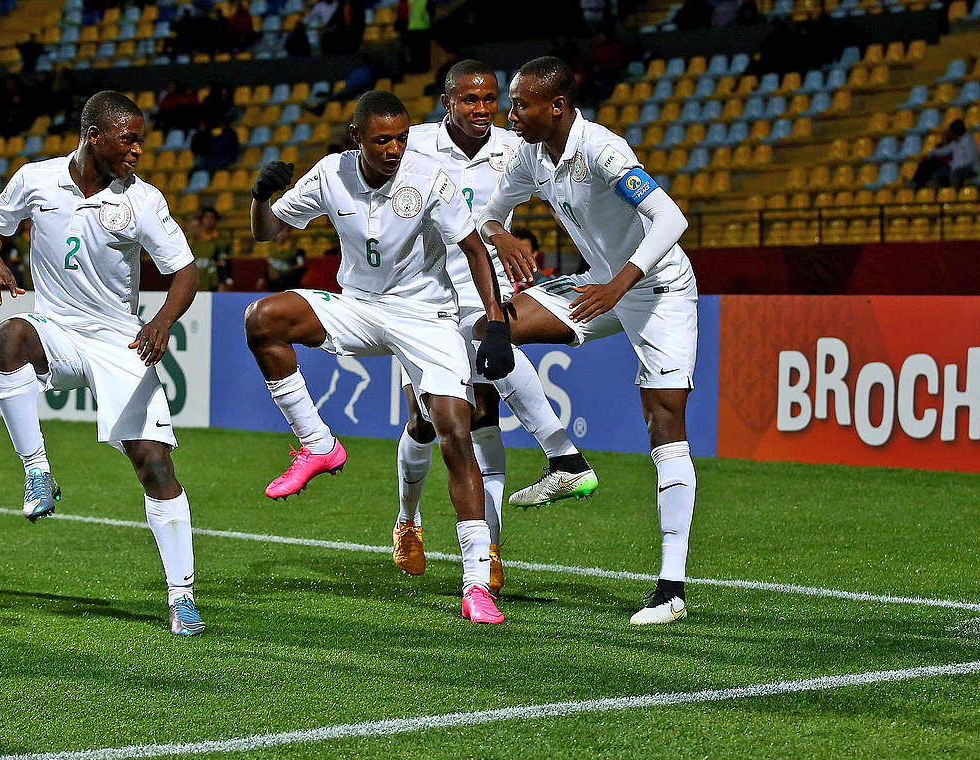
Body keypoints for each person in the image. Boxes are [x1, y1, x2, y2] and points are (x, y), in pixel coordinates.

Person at [245, 90, 534, 624]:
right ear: (357, 138)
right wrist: (261, 199)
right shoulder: (331, 173)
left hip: (426, 317)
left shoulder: (428, 177)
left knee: (454, 428)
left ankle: (475, 585)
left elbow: (474, 250)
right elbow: (270, 233)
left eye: (401, 137)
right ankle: (317, 445)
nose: (396, 148)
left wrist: (495, 321)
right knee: (263, 319)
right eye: (383, 139)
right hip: (358, 306)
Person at [474, 57, 698, 626]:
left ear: (557, 106)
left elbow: (670, 218)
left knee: (664, 421)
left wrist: (621, 284)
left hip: (658, 286)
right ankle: (564, 458)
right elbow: (487, 213)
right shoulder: (531, 154)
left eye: (521, 103)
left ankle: (670, 588)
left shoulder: (603, 150)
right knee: (491, 329)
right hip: (596, 285)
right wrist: (504, 236)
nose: (511, 113)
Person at [0, 91, 206, 637]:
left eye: (141, 141)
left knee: (155, 466)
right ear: (93, 135)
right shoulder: (37, 179)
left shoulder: (143, 200)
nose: (137, 151)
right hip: (55, 330)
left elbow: (186, 272)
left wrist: (163, 321)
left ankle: (182, 597)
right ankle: (37, 473)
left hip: (120, 340)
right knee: (9, 337)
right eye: (128, 139)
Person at [393, 60, 595, 593]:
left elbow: (557, 180)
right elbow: (360, 170)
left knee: (484, 416)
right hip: (425, 301)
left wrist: (503, 232)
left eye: (488, 100)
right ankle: (407, 521)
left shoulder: (514, 146)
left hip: (487, 295)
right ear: (447, 102)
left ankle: (491, 547)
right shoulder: (410, 143)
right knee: (427, 423)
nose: (481, 110)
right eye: (469, 100)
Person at [911, 120, 978, 189]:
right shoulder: (956, 142)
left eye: (951, 132)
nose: (950, 134)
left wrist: (955, 165)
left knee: (955, 174)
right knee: (937, 175)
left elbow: (970, 160)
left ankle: (955, 193)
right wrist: (930, 153)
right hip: (955, 167)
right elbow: (944, 150)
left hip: (968, 169)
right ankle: (942, 194)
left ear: (956, 132)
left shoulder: (969, 142)